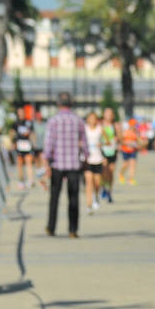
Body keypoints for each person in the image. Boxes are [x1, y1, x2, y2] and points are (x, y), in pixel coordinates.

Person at [43, 92, 88, 238]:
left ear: (58, 104)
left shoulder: (53, 121)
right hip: (74, 164)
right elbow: (84, 143)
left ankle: (51, 227)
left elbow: (49, 143)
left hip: (57, 164)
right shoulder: (78, 120)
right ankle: (73, 229)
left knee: (54, 197)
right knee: (73, 198)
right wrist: (85, 158)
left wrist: (47, 160)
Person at [83, 112, 106, 213]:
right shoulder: (84, 128)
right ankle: (88, 205)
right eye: (90, 118)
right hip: (87, 159)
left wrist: (102, 144)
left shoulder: (100, 128)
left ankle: (96, 196)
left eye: (94, 118)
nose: (92, 120)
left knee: (97, 183)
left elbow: (108, 141)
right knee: (89, 183)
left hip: (98, 158)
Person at [99, 107, 119, 203]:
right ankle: (103, 188)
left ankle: (109, 192)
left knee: (111, 172)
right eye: (107, 113)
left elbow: (121, 137)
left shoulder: (115, 125)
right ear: (104, 114)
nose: (109, 115)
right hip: (102, 151)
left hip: (113, 151)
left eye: (111, 114)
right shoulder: (100, 125)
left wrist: (117, 138)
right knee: (104, 171)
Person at [13, 112, 36, 188]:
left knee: (29, 163)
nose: (21, 115)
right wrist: (13, 143)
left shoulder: (28, 123)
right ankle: (21, 181)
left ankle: (30, 180)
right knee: (19, 164)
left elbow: (32, 133)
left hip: (27, 145)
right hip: (19, 145)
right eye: (20, 114)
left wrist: (33, 143)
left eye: (22, 113)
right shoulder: (15, 123)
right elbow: (12, 133)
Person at [118, 116, 139, 185]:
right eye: (133, 124)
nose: (134, 126)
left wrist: (142, 143)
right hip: (125, 150)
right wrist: (127, 143)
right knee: (126, 164)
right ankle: (121, 173)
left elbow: (139, 141)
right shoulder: (125, 132)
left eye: (135, 124)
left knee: (133, 164)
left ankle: (131, 179)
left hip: (133, 150)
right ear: (130, 125)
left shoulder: (136, 132)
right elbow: (120, 141)